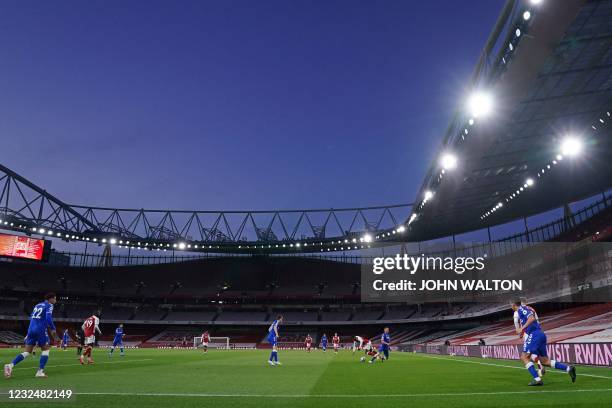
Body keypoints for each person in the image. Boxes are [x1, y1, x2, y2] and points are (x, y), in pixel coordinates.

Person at [511, 299, 576, 386]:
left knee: (524, 357)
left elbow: (531, 318)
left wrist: (521, 329)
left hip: (534, 334)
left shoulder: (521, 309)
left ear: (513, 304)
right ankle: (568, 368)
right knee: (545, 361)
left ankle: (537, 379)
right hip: (540, 334)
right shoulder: (527, 309)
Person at [4, 293, 58, 378]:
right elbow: (48, 318)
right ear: (50, 299)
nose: (55, 300)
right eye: (54, 299)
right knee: (46, 349)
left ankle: (10, 365)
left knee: (27, 351)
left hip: (31, 329)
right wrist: (53, 328)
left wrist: (29, 332)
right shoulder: (49, 305)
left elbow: (33, 317)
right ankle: (40, 371)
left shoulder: (37, 305)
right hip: (40, 330)